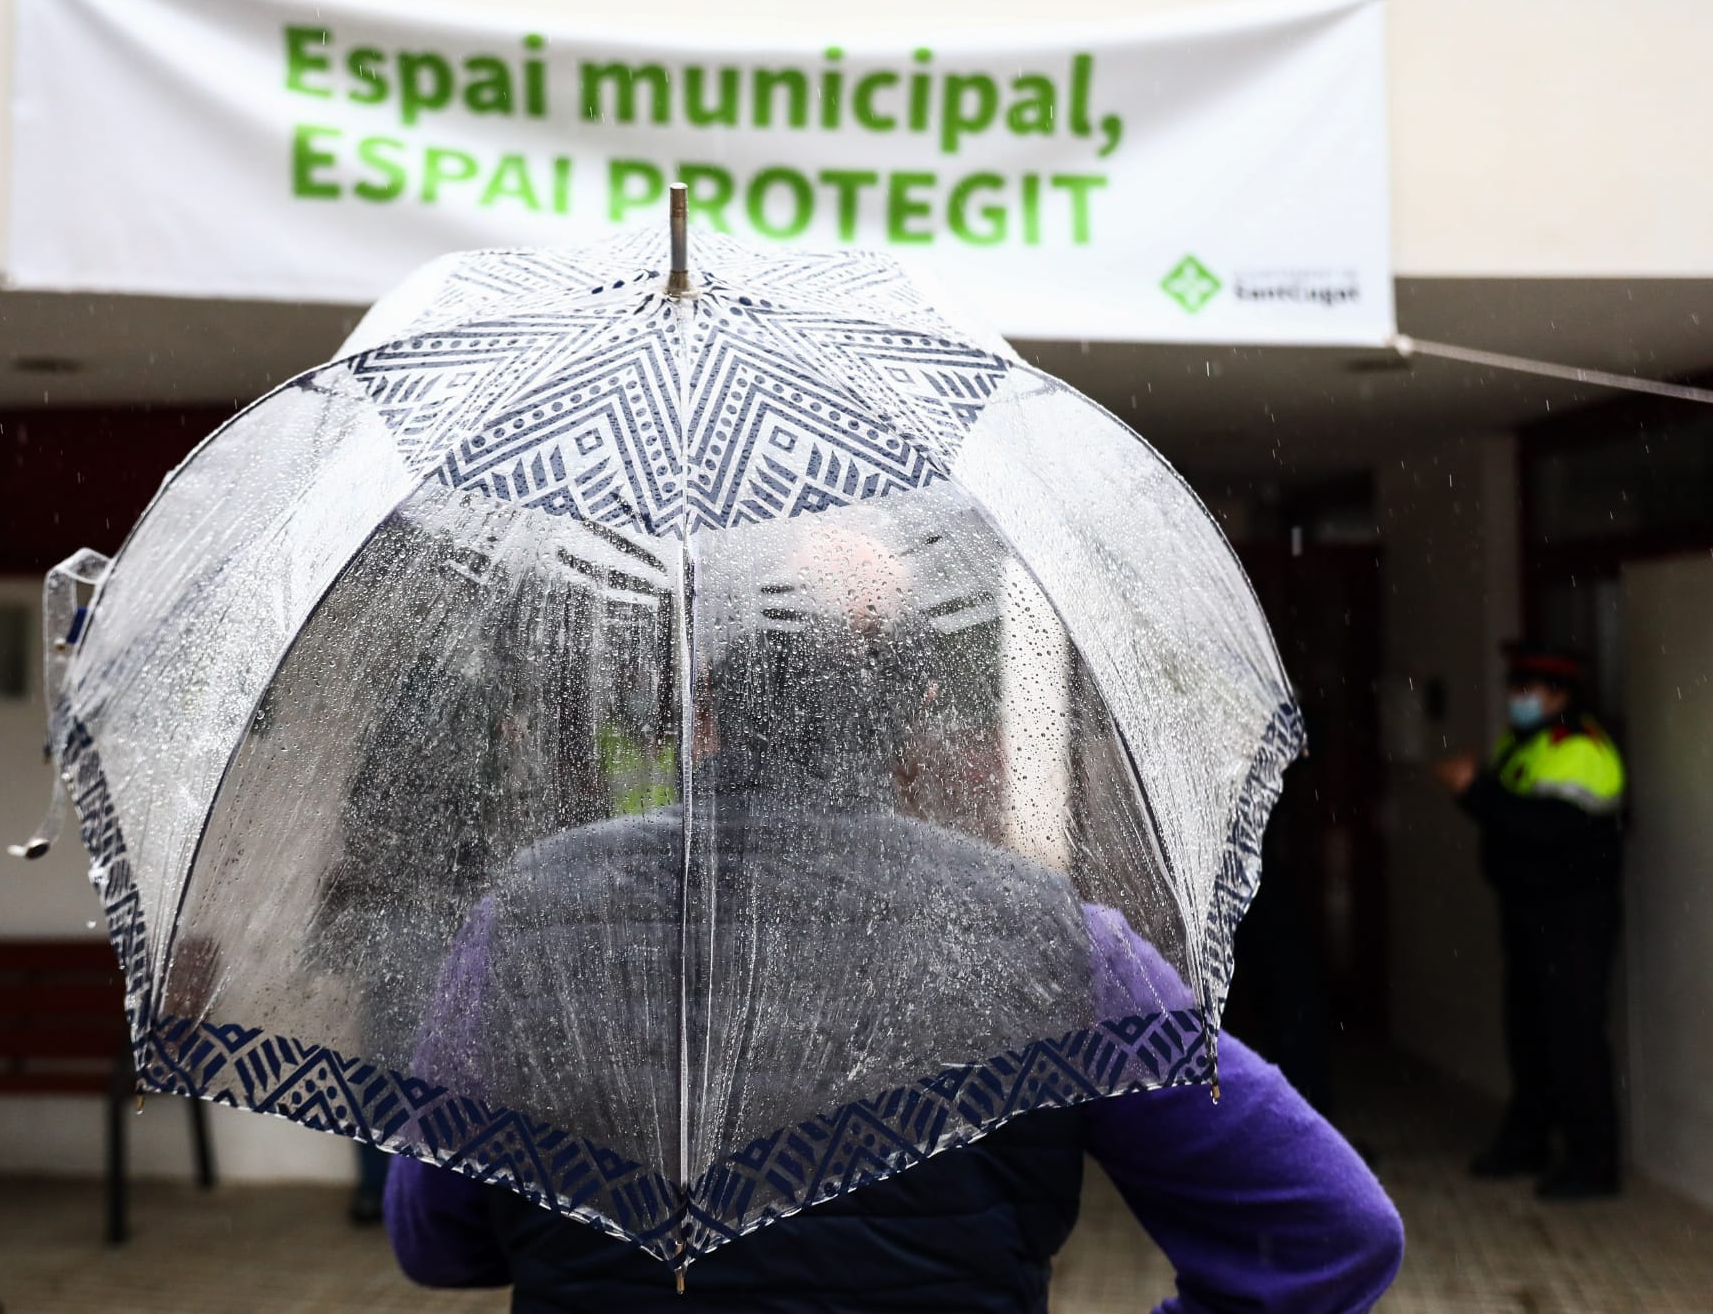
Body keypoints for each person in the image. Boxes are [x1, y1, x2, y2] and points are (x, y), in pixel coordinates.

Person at [382, 542, 1403, 1313]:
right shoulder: (1053, 941)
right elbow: (1331, 1232)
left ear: (703, 709)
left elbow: (435, 1243)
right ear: (911, 715)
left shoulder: (526, 915)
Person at [1435, 642, 1626, 1200]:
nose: (1517, 697)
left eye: (1528, 688)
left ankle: (1593, 1161)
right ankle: (1529, 1141)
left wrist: (1474, 789)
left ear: (1559, 693)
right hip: (1530, 914)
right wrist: (1479, 792)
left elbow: (1543, 828)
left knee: (1574, 1036)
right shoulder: (1525, 742)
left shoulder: (1582, 749)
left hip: (1574, 918)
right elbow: (1511, 817)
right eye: (1515, 686)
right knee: (1530, 1033)